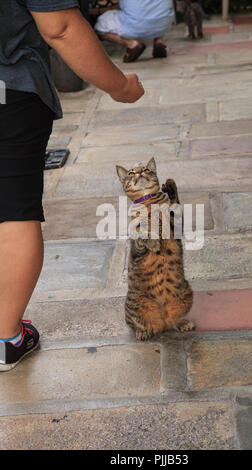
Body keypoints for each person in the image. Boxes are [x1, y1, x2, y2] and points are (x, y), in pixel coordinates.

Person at [0, 0, 144, 372]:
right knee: (14, 210)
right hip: (7, 88)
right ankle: (5, 339)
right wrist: (121, 87)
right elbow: (60, 26)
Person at [95, 0, 175, 62]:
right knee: (158, 9)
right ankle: (159, 41)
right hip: (164, 23)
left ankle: (131, 44)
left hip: (137, 25)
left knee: (99, 26)